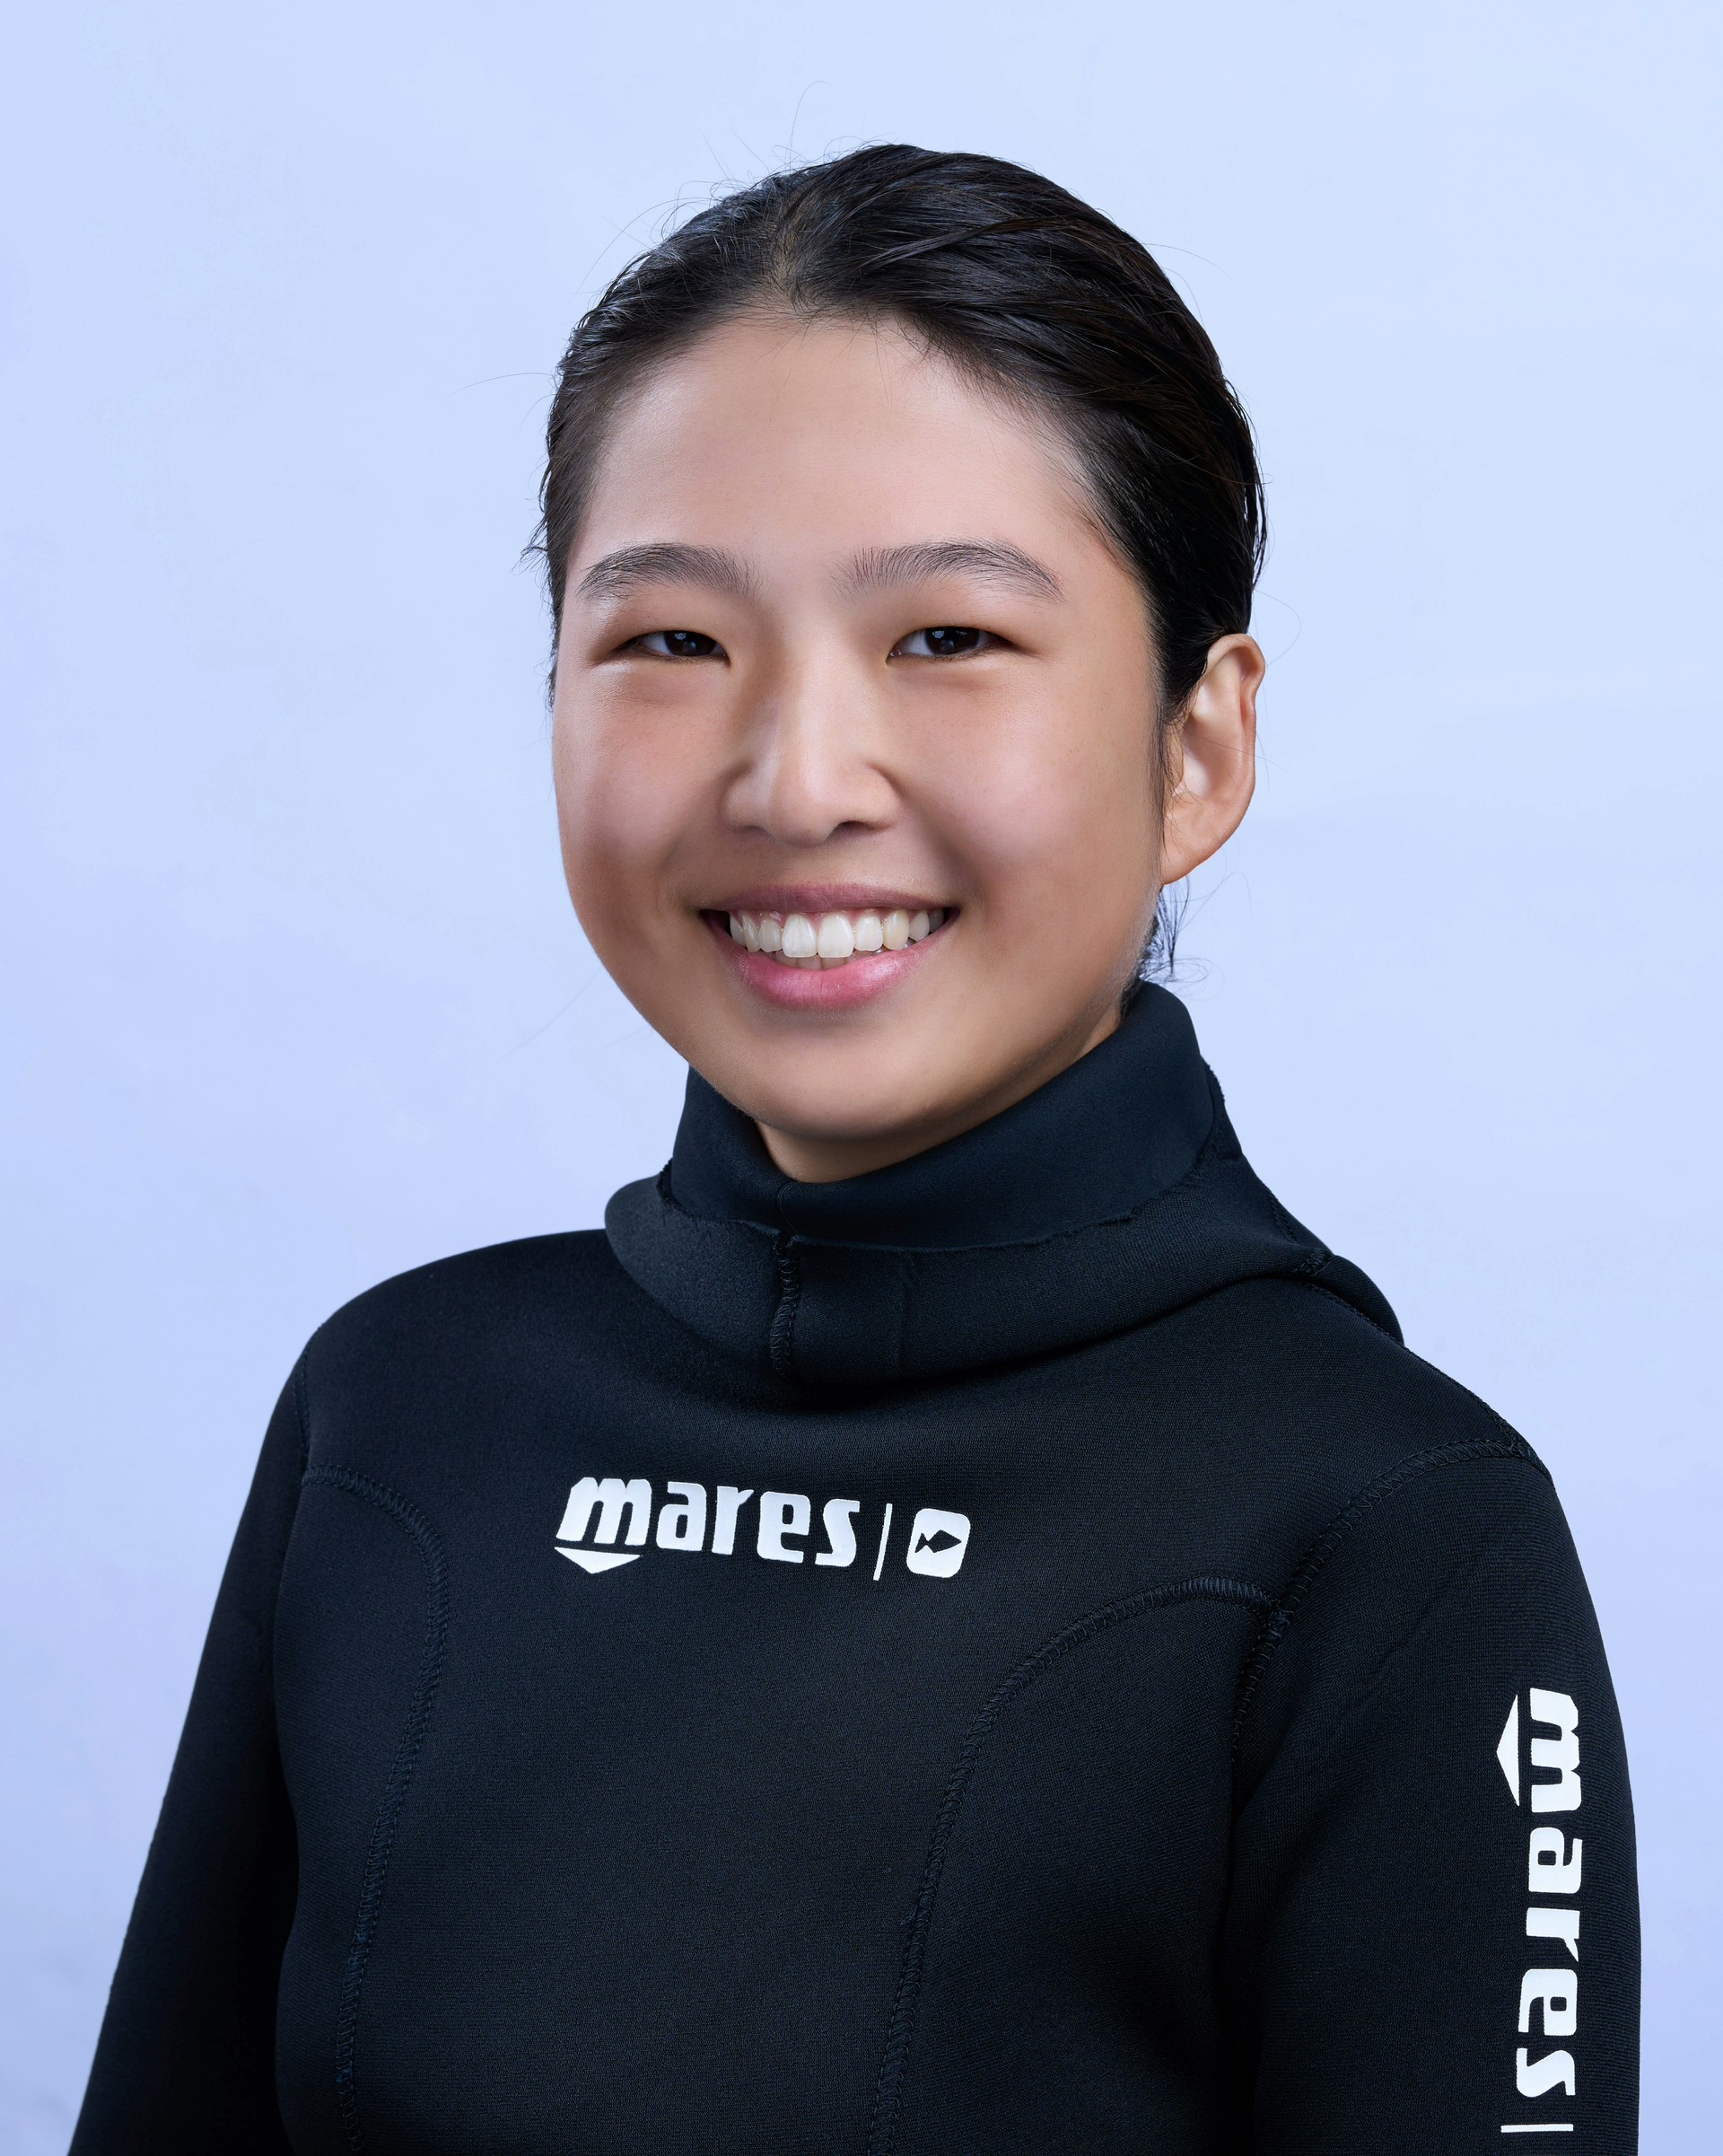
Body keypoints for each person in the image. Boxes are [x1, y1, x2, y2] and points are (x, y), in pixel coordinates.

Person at [71, 145, 1639, 2154]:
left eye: (946, 638)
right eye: (671, 642)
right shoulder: (396, 1414)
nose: (799, 782)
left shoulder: (1392, 1531)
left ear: (1197, 748)